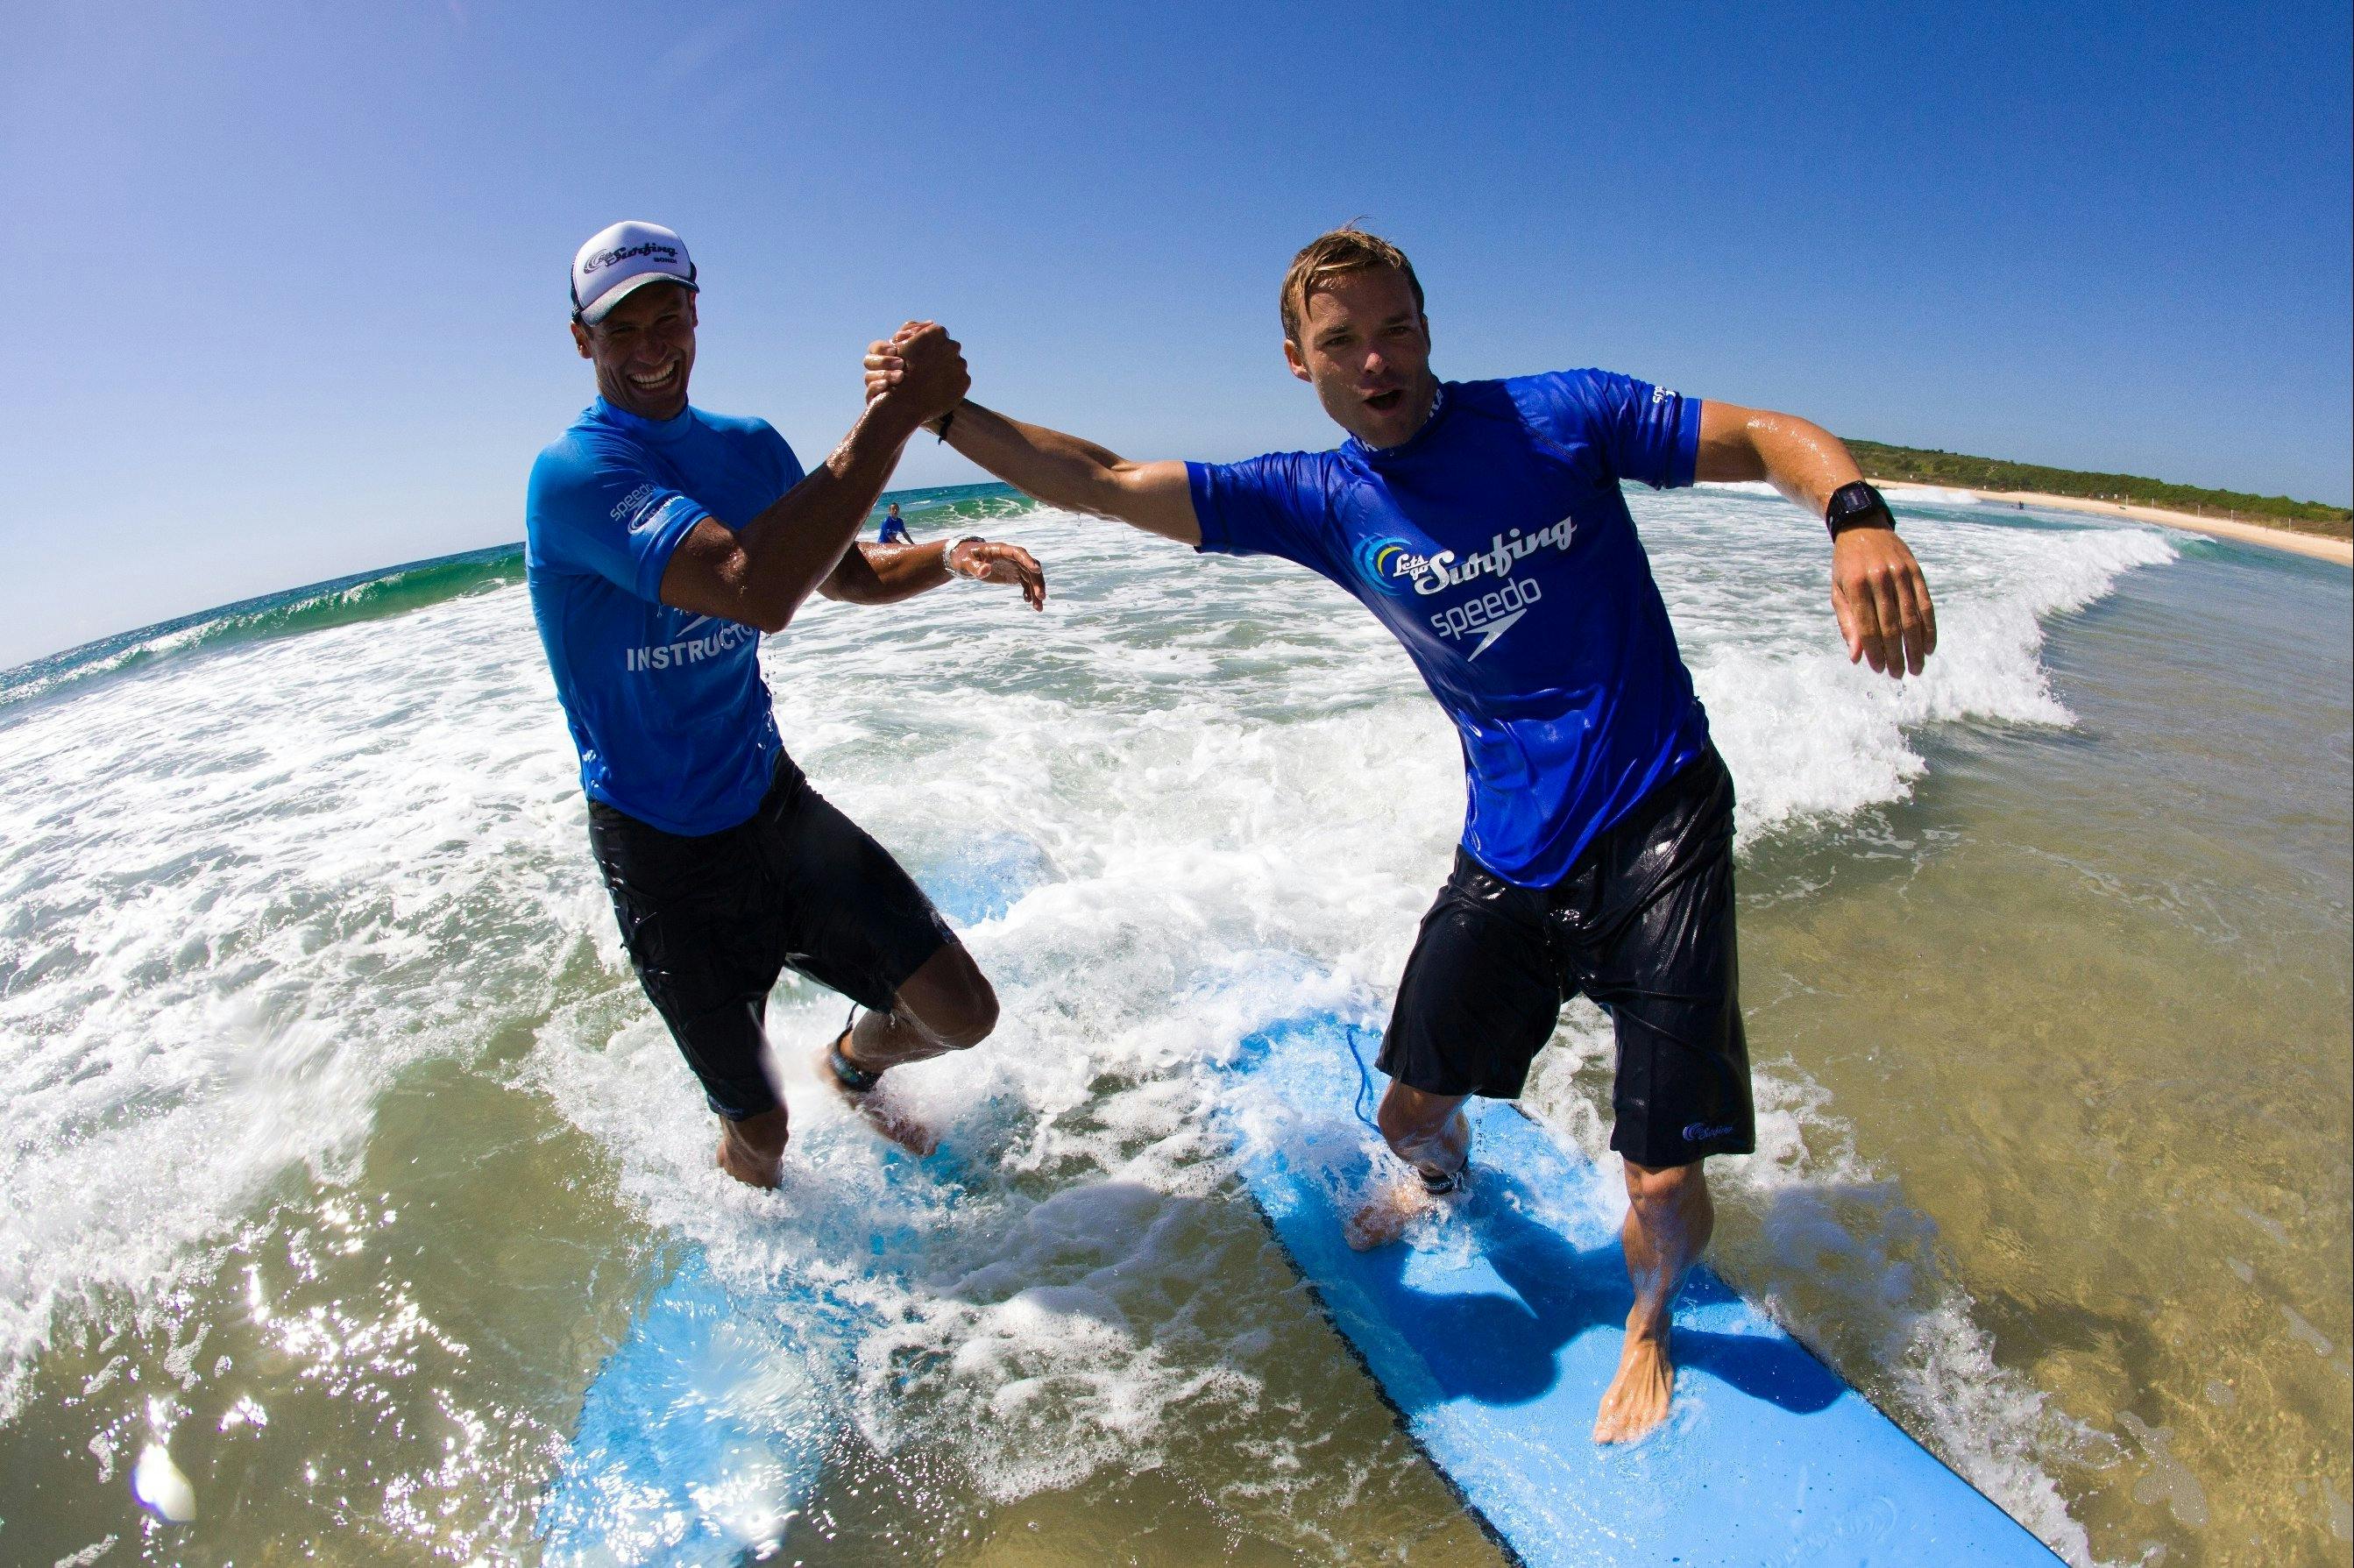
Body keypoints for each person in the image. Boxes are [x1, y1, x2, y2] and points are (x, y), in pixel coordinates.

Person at [864, 227, 1937, 1444]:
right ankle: (1442, 1188)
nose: (1376, 361)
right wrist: (946, 416)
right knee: (1408, 1115)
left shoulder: (1557, 420)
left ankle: (1647, 1319)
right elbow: (1103, 481)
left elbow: (1761, 436)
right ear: (1297, 363)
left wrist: (1853, 514)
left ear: (1428, 330)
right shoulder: (1320, 500)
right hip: (1509, 846)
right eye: (1342, 343)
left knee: (1661, 1171)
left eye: (1396, 331)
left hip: (1659, 814)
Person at [526, 221, 1047, 1188]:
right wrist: (896, 412)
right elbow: (753, 589)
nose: (650, 349)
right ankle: (766, 1252)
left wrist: (946, 555)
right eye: (620, 330)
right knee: (761, 1133)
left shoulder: (748, 447)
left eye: (667, 318)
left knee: (960, 1014)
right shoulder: (577, 475)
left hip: (773, 806)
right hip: (662, 849)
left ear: (695, 313)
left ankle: (849, 1065)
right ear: (581, 341)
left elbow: (841, 576)